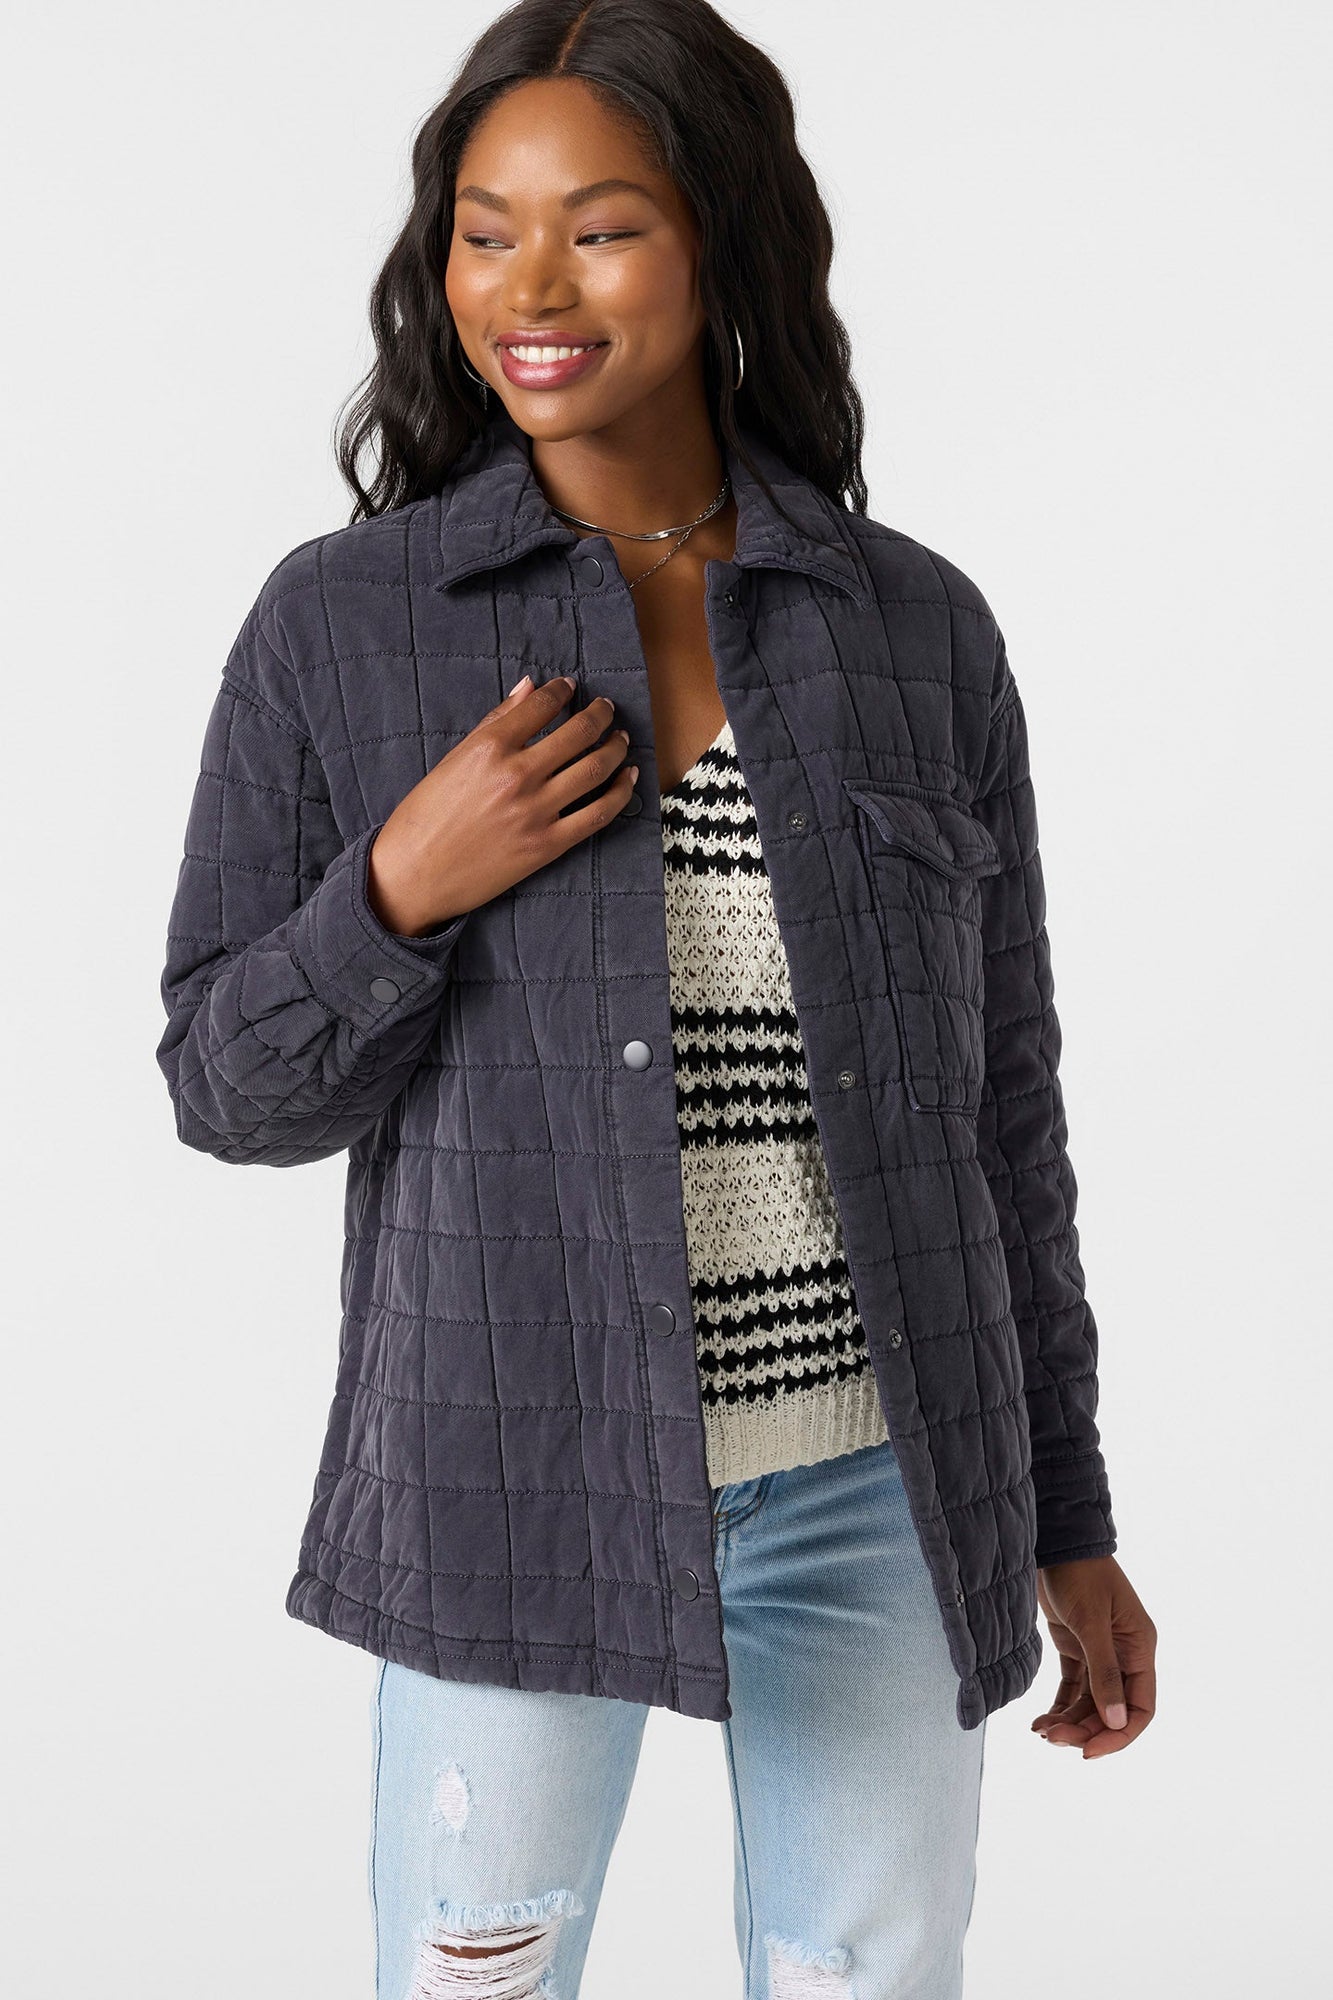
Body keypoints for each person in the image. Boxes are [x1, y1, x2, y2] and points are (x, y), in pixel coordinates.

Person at [155, 3, 1158, 1995]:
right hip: (514, 1477)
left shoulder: (913, 632)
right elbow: (225, 1087)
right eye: (484, 232)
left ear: (720, 246)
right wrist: (399, 889)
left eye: (599, 228)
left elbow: (1005, 1116)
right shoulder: (342, 626)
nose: (528, 288)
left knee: (862, 1976)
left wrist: (1065, 1509)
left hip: (879, 1478)